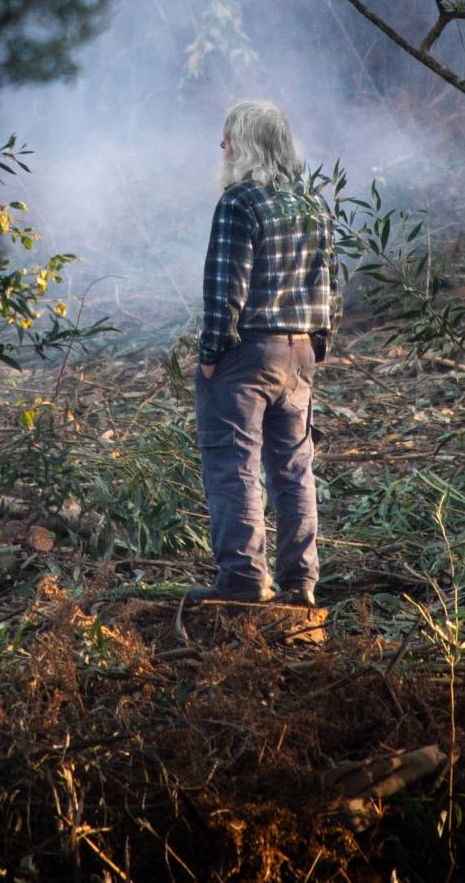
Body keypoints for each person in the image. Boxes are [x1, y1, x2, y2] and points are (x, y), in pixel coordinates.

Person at [187, 100, 341, 609]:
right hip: (299, 355)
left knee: (234, 467)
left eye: (228, 135)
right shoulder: (313, 203)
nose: (222, 145)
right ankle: (300, 584)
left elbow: (223, 288)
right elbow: (330, 285)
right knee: (294, 470)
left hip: (246, 357)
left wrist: (211, 355)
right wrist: (315, 347)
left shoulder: (239, 203)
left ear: (247, 144)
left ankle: (243, 581)